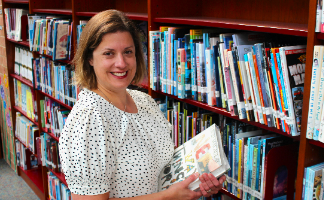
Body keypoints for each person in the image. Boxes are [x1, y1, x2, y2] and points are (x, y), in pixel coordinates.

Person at [59, 9, 225, 200]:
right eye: (109, 53)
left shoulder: (143, 100)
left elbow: (164, 171)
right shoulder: (88, 120)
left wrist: (195, 183)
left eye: (128, 52)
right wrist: (168, 197)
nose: (121, 63)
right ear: (89, 58)